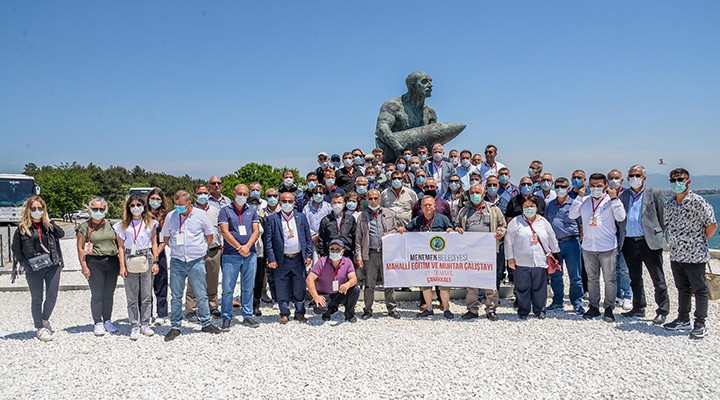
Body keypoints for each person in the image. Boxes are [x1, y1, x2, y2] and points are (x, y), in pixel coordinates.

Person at [663, 168, 717, 339]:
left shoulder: (698, 202)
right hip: (677, 254)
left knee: (700, 289)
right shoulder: (670, 204)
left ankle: (700, 324)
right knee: (682, 288)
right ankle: (683, 318)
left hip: (695, 255)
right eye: (673, 180)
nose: (677, 183)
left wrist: (698, 241)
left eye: (680, 179)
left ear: (688, 181)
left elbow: (711, 225)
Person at [161, 190, 222, 341]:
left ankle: (206, 322)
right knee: (176, 295)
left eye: (181, 205)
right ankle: (175, 326)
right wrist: (176, 248)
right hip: (177, 261)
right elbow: (166, 237)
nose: (178, 208)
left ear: (189, 203)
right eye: (176, 205)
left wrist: (201, 249)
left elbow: (209, 234)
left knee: (201, 293)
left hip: (196, 260)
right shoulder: (171, 216)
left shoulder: (200, 215)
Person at [569, 173, 626, 322]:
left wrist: (614, 199)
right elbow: (572, 214)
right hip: (588, 246)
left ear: (605, 186)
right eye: (593, 185)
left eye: (599, 186)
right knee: (592, 279)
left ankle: (609, 308)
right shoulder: (585, 201)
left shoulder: (611, 200)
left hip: (607, 246)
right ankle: (594, 306)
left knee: (610, 279)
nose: (596, 188)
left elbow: (621, 217)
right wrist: (579, 197)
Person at [619, 165, 669, 324]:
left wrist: (659, 236)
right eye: (631, 175)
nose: (634, 178)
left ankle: (662, 310)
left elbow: (663, 219)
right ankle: (639, 307)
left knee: (658, 278)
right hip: (629, 243)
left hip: (649, 242)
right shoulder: (623, 195)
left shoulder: (654, 194)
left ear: (644, 177)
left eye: (637, 175)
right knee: (635, 278)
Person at [12, 196, 64, 342]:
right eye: (34, 208)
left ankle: (45, 319)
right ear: (28, 210)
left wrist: (50, 220)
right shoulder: (22, 229)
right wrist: (25, 263)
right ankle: (39, 326)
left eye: (40, 208)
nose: (37, 211)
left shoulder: (48, 226)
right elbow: (15, 248)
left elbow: (61, 234)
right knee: (37, 298)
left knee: (52, 295)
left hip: (53, 265)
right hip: (34, 268)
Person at [454, 184, 506, 321]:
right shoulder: (464, 210)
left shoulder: (494, 209)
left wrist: (501, 232)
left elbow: (502, 225)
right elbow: (457, 225)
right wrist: (458, 229)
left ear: (483, 194)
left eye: (477, 192)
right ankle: (472, 309)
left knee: (489, 281)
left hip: (488, 251)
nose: (474, 195)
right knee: (471, 282)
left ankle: (491, 309)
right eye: (472, 193)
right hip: (469, 251)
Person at [397, 196, 455, 318]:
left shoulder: (443, 219)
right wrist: (402, 229)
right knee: (425, 284)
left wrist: (450, 230)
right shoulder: (417, 220)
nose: (428, 207)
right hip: (424, 259)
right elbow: (407, 229)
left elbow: (450, 229)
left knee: (444, 285)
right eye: (425, 205)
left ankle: (446, 309)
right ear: (421, 207)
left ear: (435, 207)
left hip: (440, 259)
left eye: (430, 205)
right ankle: (428, 308)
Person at [505, 197, 559, 319]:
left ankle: (539, 310)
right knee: (522, 287)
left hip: (540, 260)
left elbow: (551, 237)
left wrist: (555, 253)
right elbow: (509, 240)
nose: (529, 209)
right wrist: (510, 258)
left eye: (531, 206)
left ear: (536, 207)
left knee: (540, 287)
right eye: (526, 207)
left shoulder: (543, 222)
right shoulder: (515, 221)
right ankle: (523, 310)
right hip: (521, 260)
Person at [265, 192, 314, 324]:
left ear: (294, 203)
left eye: (290, 201)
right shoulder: (272, 219)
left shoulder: (301, 217)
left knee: (299, 286)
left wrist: (309, 255)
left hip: (298, 258)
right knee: (281, 287)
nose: (287, 204)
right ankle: (284, 313)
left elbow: (308, 238)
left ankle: (299, 312)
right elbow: (268, 242)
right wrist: (271, 258)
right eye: (284, 201)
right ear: (280, 203)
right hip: (281, 259)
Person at [115, 195, 159, 340]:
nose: (136, 208)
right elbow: (120, 247)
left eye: (138, 205)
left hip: (146, 256)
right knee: (132, 295)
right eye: (132, 205)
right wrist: (122, 266)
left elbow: (154, 242)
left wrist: (155, 261)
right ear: (128, 207)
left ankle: (145, 323)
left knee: (146, 294)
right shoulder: (122, 225)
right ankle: (134, 325)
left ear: (143, 206)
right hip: (130, 257)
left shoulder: (151, 223)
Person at [218, 184, 261, 330]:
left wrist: (247, 246)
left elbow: (256, 231)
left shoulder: (252, 211)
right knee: (227, 288)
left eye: (245, 194)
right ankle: (226, 317)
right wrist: (239, 247)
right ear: (233, 193)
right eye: (239, 193)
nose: (242, 196)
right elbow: (225, 232)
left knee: (248, 287)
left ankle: (247, 315)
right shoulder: (225, 211)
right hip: (231, 255)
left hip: (250, 254)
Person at [76, 197, 120, 336]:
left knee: (109, 293)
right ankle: (97, 322)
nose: (98, 211)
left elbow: (120, 245)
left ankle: (107, 320)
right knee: (97, 293)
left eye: (101, 209)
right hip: (94, 262)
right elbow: (80, 248)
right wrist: (84, 266)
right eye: (95, 209)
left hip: (112, 261)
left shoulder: (112, 225)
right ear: (90, 210)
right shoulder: (84, 226)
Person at [355, 189, 400, 319]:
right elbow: (358, 238)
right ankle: (368, 309)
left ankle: (392, 308)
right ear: (367, 200)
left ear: (380, 199)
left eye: (376, 198)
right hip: (370, 254)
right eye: (370, 199)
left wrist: (389, 234)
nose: (373, 201)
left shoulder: (389, 214)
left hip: (387, 254)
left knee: (389, 283)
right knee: (369, 284)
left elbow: (396, 230)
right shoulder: (362, 216)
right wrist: (359, 256)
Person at [545, 178, 585, 315]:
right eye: (557, 186)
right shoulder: (550, 205)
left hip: (571, 243)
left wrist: (580, 240)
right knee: (556, 275)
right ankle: (557, 302)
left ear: (568, 189)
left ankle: (577, 302)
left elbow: (581, 224)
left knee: (575, 276)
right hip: (555, 244)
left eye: (563, 186)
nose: (560, 189)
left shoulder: (575, 204)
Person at [185, 184, 222, 321]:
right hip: (195, 252)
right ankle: (191, 309)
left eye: (205, 193)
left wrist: (221, 246)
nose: (203, 195)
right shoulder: (189, 211)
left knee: (213, 281)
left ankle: (213, 306)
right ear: (194, 195)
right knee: (193, 282)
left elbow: (219, 229)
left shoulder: (215, 210)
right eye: (200, 193)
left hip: (213, 250)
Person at [308, 240, 360, 322]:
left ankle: (349, 313)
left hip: (340, 293)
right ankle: (328, 311)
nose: (334, 252)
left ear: (342, 251)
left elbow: (354, 279)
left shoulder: (348, 262)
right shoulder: (322, 262)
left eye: (337, 249)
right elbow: (310, 279)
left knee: (355, 290)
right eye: (332, 249)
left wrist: (347, 284)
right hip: (325, 294)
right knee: (318, 309)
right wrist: (316, 296)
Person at [607, 169, 632, 311]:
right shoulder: (604, 195)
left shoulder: (627, 194)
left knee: (624, 268)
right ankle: (617, 294)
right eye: (610, 178)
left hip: (624, 236)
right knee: (613, 269)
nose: (613, 180)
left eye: (616, 178)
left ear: (622, 180)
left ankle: (627, 295)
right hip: (610, 236)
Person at [146, 188, 169, 325]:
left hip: (159, 253)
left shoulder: (166, 217)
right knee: (145, 285)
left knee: (161, 284)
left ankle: (162, 313)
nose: (155, 201)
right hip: (144, 253)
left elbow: (165, 238)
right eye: (152, 198)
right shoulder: (142, 215)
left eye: (158, 199)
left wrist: (156, 253)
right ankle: (147, 313)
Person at [318, 193, 357, 258]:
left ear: (344, 204)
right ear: (331, 204)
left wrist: (356, 252)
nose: (337, 205)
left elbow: (355, 235)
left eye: (339, 202)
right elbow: (321, 238)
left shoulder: (350, 219)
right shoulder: (325, 220)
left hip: (347, 253)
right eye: (334, 203)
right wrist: (322, 253)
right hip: (331, 254)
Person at [303, 184, 332, 259]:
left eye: (320, 193)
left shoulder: (328, 207)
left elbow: (331, 223)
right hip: (311, 240)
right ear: (312, 195)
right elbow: (303, 224)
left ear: (324, 195)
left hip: (325, 239)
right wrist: (313, 235)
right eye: (316, 193)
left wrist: (319, 235)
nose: (318, 195)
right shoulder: (306, 208)